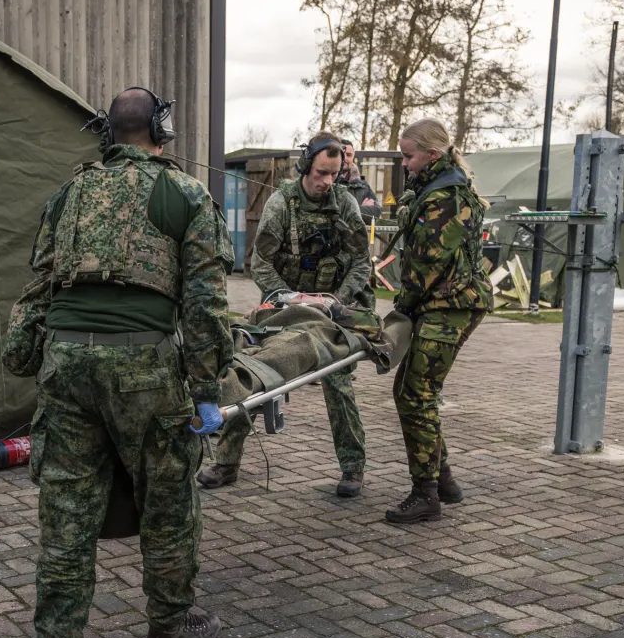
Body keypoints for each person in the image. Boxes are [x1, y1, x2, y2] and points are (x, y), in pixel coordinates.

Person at [2, 87, 234, 638]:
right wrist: (207, 387)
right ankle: (169, 624)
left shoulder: (68, 193)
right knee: (167, 500)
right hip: (144, 371)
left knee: (67, 509)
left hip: (66, 366)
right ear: (164, 131)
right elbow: (206, 305)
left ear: (109, 134)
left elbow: (43, 279)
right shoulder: (185, 194)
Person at [201, 133, 370, 497]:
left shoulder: (345, 204)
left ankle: (353, 468)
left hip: (328, 313)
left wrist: (334, 302)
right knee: (253, 375)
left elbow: (361, 264)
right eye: (321, 173)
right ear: (306, 165)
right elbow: (259, 264)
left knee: (338, 381)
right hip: (282, 310)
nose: (327, 182)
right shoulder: (281, 204)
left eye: (334, 174)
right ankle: (226, 462)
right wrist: (289, 299)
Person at [386, 118, 493, 524]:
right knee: (412, 392)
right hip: (441, 302)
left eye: (409, 156)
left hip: (451, 304)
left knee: (416, 395)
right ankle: (442, 481)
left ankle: (426, 494)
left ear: (432, 154)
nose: (405, 164)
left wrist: (403, 307)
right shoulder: (432, 189)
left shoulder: (448, 196)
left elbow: (428, 263)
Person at [338, 139, 381, 217]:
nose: (345, 158)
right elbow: (333, 214)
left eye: (349, 155)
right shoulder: (328, 181)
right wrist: (361, 208)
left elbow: (376, 212)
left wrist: (349, 211)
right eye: (341, 154)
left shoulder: (363, 185)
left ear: (353, 158)